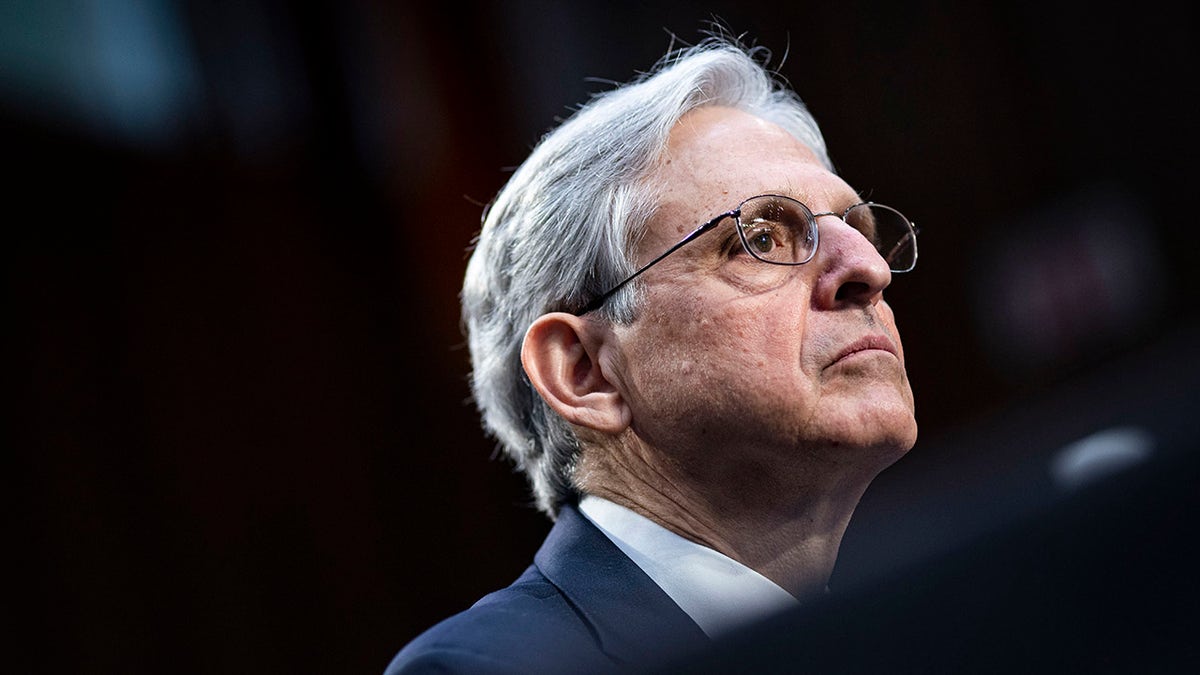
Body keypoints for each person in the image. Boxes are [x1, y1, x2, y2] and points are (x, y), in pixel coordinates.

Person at [386, 32, 919, 674]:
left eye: (856, 230)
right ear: (585, 373)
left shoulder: (933, 634)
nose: (868, 270)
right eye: (761, 237)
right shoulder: (493, 668)